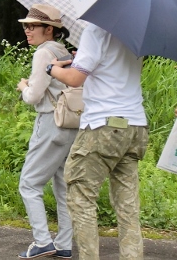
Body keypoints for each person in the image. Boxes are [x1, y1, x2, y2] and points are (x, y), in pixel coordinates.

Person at [49, 22, 148, 260]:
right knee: (128, 206)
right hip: (135, 126)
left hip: (103, 125)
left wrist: (52, 69)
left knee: (81, 197)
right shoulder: (137, 34)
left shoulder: (96, 30)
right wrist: (85, 59)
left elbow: (74, 78)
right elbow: (113, 70)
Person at [14, 4, 77, 259]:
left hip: (50, 122)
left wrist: (23, 87)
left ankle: (42, 241)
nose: (27, 31)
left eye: (33, 26)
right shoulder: (64, 51)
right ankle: (64, 244)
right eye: (25, 26)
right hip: (71, 123)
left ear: (49, 29)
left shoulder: (43, 53)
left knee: (29, 183)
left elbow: (34, 96)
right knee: (63, 186)